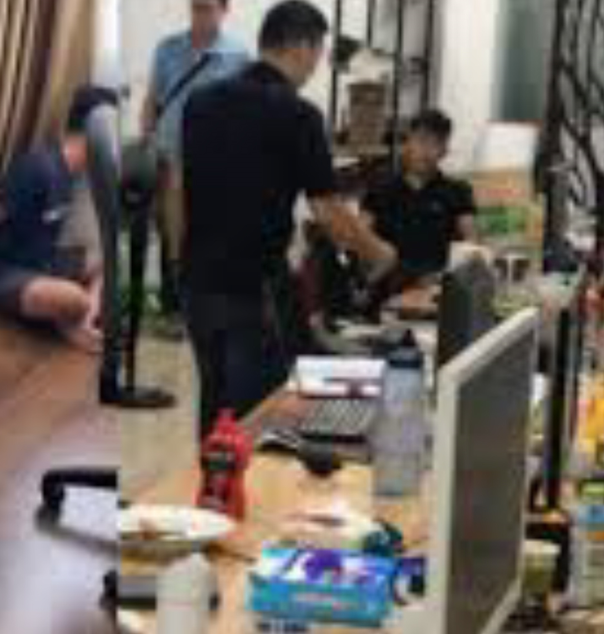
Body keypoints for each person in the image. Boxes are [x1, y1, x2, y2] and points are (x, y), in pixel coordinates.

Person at [181, 0, 397, 437]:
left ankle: (208, 479)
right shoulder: (298, 114)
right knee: (261, 415)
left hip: (196, 281)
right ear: (301, 46)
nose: (315, 66)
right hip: (253, 286)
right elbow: (328, 211)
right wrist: (378, 252)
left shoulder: (200, 102)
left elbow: (179, 189)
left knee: (216, 406)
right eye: (317, 53)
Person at [0, 92, 108, 352]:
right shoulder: (38, 168)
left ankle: (79, 321)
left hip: (41, 262)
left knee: (108, 260)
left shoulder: (73, 172)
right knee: (74, 299)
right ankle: (73, 318)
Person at [141, 0, 251, 338]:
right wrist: (146, 140)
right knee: (170, 232)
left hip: (213, 159)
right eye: (195, 7)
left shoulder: (238, 55)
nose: (200, 15)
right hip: (169, 151)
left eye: (207, 8)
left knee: (207, 233)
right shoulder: (167, 48)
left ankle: (206, 313)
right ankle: (173, 311)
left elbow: (243, 109)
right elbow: (153, 98)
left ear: (224, 10)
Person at [362, 110, 478, 279]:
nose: (426, 151)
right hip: (389, 284)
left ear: (444, 150)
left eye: (435, 143)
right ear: (407, 143)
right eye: (421, 140)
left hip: (437, 284)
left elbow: (471, 245)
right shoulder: (379, 189)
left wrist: (451, 277)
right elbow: (361, 238)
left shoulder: (458, 191)